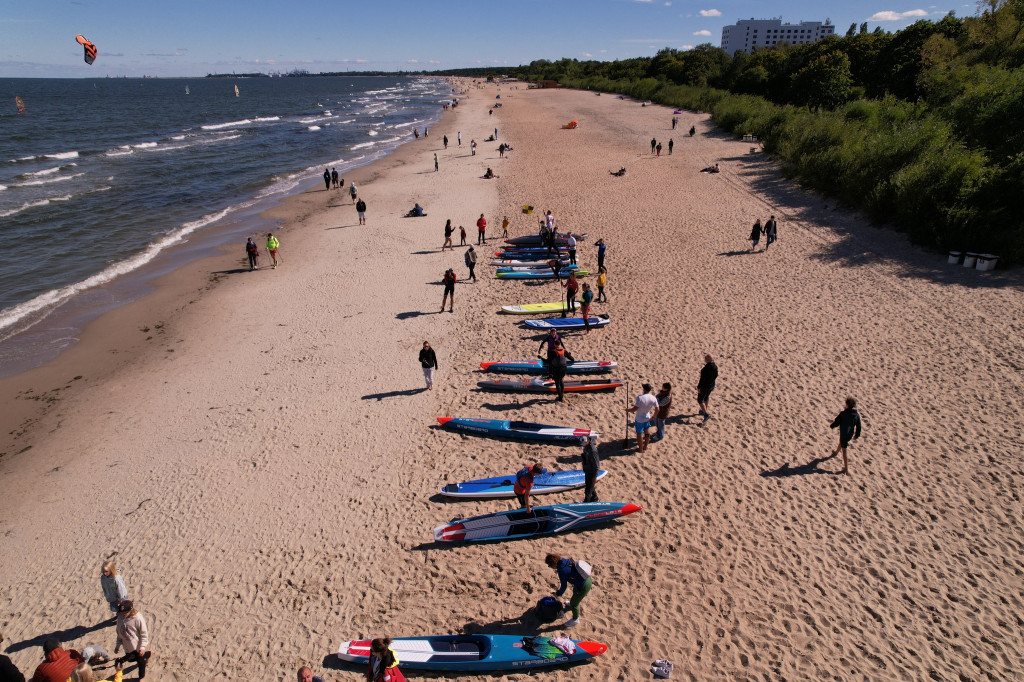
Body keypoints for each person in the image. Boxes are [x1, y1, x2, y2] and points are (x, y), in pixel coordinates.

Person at [545, 554, 592, 628]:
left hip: (583, 586)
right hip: (586, 579)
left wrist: (558, 594)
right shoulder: (564, 560)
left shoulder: (561, 570)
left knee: (575, 604)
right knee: (575, 593)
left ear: (553, 564)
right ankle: (571, 603)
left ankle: (575, 619)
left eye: (549, 565)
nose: (549, 567)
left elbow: (564, 586)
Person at [113, 601, 150, 679]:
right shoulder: (120, 618)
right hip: (127, 647)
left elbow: (144, 634)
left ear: (131, 611)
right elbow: (119, 633)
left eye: (124, 613)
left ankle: (141, 678)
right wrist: (117, 645)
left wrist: (142, 647)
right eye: (121, 613)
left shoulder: (138, 618)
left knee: (140, 661)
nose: (122, 615)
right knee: (131, 659)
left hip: (137, 646)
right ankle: (149, 654)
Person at [830, 398, 862, 475]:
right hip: (850, 434)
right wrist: (857, 435)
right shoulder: (856, 415)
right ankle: (836, 452)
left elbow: (837, 422)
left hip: (844, 433)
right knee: (841, 441)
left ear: (847, 405)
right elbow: (859, 426)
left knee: (844, 451)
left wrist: (832, 426)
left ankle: (846, 469)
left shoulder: (843, 414)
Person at [627, 383, 659, 453]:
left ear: (644, 389)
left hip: (639, 418)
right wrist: (653, 416)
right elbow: (657, 409)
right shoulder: (653, 398)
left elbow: (635, 408)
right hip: (647, 417)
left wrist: (628, 410)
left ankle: (640, 449)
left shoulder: (640, 398)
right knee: (647, 432)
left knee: (639, 433)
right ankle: (645, 447)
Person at [697, 354, 718, 423]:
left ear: (708, 360)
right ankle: (704, 410)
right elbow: (716, 375)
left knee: (700, 400)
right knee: (706, 397)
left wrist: (699, 387)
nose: (704, 359)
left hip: (705, 386)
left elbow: (702, 380)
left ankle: (705, 414)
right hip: (711, 386)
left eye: (705, 358)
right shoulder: (715, 367)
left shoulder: (705, 369)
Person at [580, 434, 600, 502]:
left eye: (584, 443)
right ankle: (595, 497)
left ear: (588, 440)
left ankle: (586, 503)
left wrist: (595, 477)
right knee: (589, 485)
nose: (583, 444)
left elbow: (597, 466)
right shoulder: (586, 447)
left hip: (592, 472)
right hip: (587, 470)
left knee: (588, 491)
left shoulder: (593, 450)